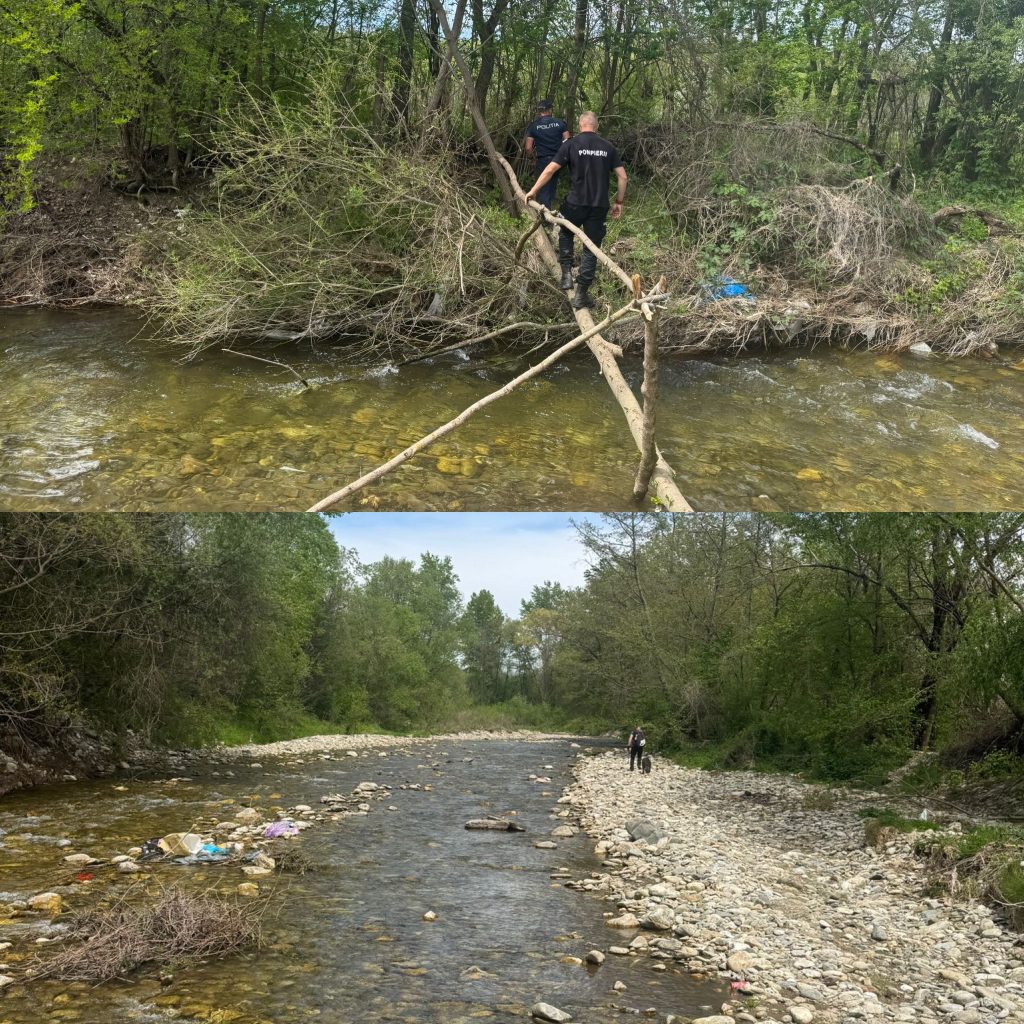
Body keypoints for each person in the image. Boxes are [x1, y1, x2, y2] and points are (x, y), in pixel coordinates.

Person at [525, 111, 627, 310]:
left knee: (565, 232)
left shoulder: (571, 144)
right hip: (598, 206)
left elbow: (550, 169)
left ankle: (566, 275)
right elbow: (622, 177)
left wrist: (534, 190)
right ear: (596, 126)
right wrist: (619, 202)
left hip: (574, 203)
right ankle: (581, 295)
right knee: (591, 248)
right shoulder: (608, 147)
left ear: (580, 125)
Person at [524, 100, 570, 210]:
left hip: (542, 160)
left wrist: (532, 159)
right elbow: (568, 141)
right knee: (551, 185)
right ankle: (547, 209)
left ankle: (545, 214)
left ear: (539, 111)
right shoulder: (560, 123)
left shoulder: (533, 126)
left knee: (543, 187)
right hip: (558, 160)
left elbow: (528, 147)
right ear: (550, 110)